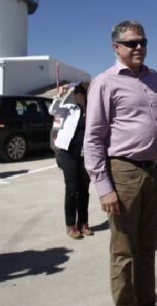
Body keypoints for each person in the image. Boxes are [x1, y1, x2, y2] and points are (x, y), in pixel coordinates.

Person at [84, 20, 157, 306]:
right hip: (123, 172)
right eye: (132, 43)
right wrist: (103, 187)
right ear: (116, 47)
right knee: (124, 251)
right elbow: (93, 138)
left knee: (148, 249)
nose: (139, 47)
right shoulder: (105, 82)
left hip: (154, 171)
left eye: (143, 42)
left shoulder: (154, 78)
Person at [50, 82, 93, 239]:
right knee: (72, 187)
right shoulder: (69, 109)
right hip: (67, 152)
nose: (77, 95)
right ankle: (71, 225)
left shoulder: (93, 111)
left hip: (85, 154)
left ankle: (84, 222)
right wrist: (59, 95)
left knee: (84, 189)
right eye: (76, 93)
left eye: (80, 93)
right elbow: (53, 110)